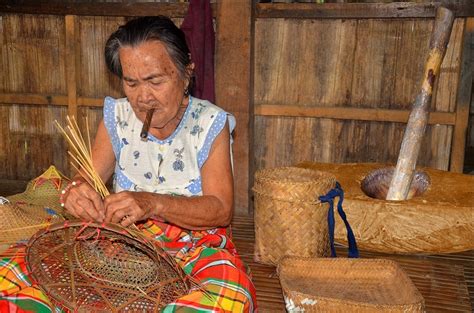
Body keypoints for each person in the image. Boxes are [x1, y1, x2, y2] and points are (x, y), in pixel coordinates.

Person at [0, 16, 257, 312]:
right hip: (119, 242)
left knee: (229, 298)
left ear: (186, 74)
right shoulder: (118, 117)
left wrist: (152, 204)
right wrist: (76, 194)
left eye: (155, 81)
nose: (143, 97)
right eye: (131, 83)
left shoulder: (210, 122)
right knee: (13, 274)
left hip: (190, 246)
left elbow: (221, 210)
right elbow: (85, 179)